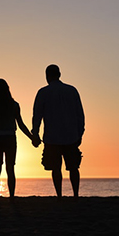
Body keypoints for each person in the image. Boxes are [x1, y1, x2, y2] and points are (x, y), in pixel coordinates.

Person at [32, 64, 85, 200]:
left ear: (47, 76)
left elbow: (37, 115)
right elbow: (80, 114)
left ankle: (59, 195)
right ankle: (76, 194)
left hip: (52, 136)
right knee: (73, 167)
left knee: (56, 168)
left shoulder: (43, 92)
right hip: (70, 135)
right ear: (59, 74)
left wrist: (35, 133)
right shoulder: (72, 91)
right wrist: (80, 133)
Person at [0, 79, 33, 201]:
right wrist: (31, 137)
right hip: (10, 137)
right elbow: (21, 124)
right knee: (10, 168)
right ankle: (11, 196)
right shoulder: (14, 105)